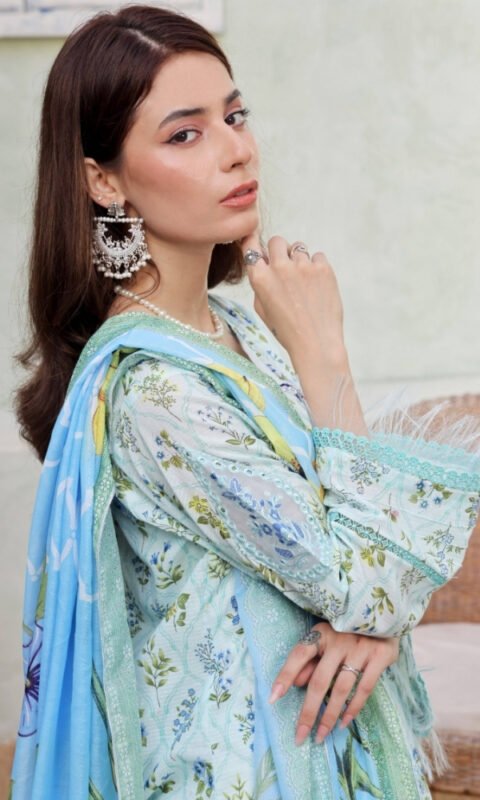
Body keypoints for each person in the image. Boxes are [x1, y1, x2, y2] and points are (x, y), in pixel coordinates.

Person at [9, 5, 480, 799]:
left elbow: (368, 566)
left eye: (234, 115)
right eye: (185, 134)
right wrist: (325, 352)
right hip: (244, 772)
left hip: (316, 752)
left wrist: (375, 623)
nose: (236, 149)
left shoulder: (241, 328)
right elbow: (362, 580)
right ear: (104, 180)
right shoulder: (153, 390)